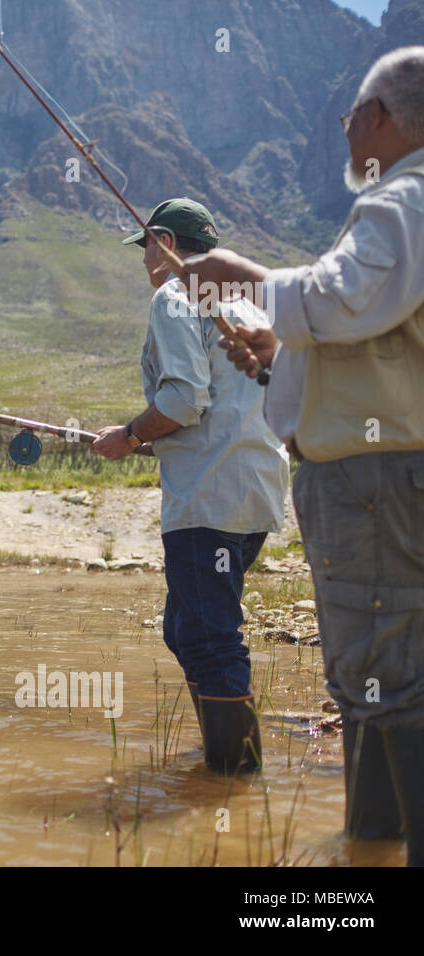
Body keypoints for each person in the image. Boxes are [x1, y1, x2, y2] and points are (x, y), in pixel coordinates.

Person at [184, 47, 424, 863]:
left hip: (376, 483)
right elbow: (381, 353)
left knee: (385, 684)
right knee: (375, 680)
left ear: (384, 118)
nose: (346, 124)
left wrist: (238, 280)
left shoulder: (403, 201)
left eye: (355, 111)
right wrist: (281, 361)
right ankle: (369, 851)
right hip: (385, 476)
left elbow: (339, 298)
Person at [91, 197, 289, 774]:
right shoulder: (246, 300)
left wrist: (128, 435)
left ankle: (235, 772)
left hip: (208, 500)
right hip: (256, 490)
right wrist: (152, 436)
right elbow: (224, 405)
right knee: (186, 628)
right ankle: (223, 759)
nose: (144, 261)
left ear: (164, 242)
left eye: (146, 247)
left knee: (207, 635)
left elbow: (184, 400)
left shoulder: (174, 295)